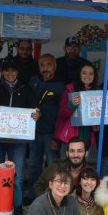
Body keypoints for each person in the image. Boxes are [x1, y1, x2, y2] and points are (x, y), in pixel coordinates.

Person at [0, 57, 40, 215]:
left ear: (17, 72)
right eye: (6, 70)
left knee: (18, 176)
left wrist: (37, 114)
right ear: (1, 71)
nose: (10, 73)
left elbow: (36, 108)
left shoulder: (25, 87)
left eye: (13, 70)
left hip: (18, 141)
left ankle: (17, 206)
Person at [27, 54, 65, 199]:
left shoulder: (61, 85)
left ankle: (53, 198)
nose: (45, 68)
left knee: (53, 169)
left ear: (55, 66)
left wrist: (57, 137)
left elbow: (63, 115)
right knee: (33, 167)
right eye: (42, 65)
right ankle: (33, 197)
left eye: (49, 65)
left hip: (51, 134)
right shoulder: (33, 81)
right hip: (34, 133)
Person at [55, 62, 99, 151]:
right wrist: (71, 105)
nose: (87, 76)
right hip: (70, 136)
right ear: (79, 74)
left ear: (94, 76)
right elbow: (61, 113)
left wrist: (96, 125)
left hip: (87, 136)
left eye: (91, 73)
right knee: (68, 160)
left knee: (84, 159)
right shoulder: (70, 89)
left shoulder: (97, 92)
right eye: (84, 73)